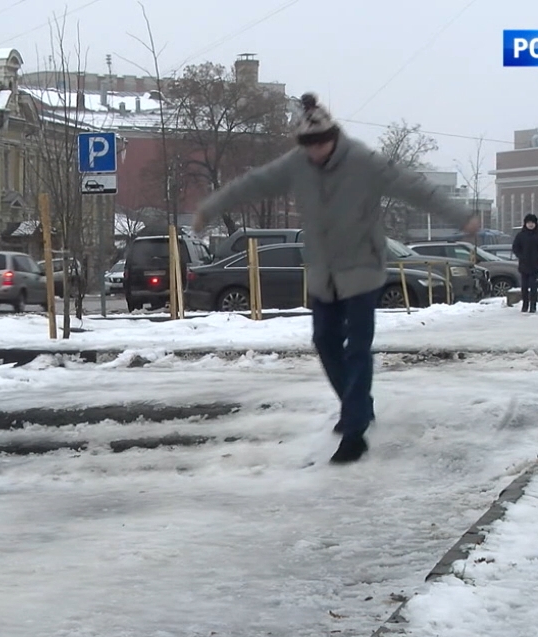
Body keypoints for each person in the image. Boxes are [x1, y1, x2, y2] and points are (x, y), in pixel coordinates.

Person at [191, 93, 479, 465]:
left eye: (321, 144)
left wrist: (461, 217)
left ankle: (355, 429)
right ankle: (357, 403)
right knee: (325, 340)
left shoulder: (363, 162)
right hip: (324, 274)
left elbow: (414, 187)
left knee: (357, 347)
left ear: (334, 136)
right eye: (308, 147)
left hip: (363, 268)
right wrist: (207, 209)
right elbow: (251, 184)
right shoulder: (297, 164)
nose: (315, 153)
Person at [512, 214, 538, 312]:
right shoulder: (521, 235)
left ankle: (533, 305)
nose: (531, 225)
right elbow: (515, 247)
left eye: (532, 223)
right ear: (525, 224)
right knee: (524, 287)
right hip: (523, 264)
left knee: (533, 286)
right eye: (529, 223)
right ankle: (525, 304)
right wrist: (520, 256)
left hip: (535, 265)